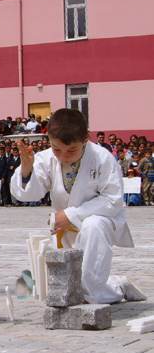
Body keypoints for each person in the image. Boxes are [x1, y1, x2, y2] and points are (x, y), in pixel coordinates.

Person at [11, 108, 146, 304]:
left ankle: (105, 290)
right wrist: (26, 169)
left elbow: (112, 199)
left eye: (71, 150)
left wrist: (71, 215)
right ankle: (116, 284)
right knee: (60, 282)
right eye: (57, 149)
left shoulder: (102, 158)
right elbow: (27, 194)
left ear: (85, 139)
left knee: (93, 231)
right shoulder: (45, 158)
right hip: (63, 228)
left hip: (99, 224)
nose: (64, 156)